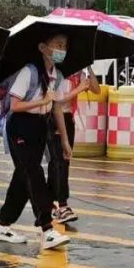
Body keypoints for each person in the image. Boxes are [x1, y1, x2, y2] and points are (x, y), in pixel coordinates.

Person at [0, 31, 72, 251]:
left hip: (40, 127)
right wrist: (41, 100)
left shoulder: (58, 76)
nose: (61, 50)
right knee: (34, 174)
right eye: (57, 44)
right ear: (43, 48)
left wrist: (64, 140)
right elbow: (14, 105)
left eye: (64, 46)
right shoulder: (30, 72)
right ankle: (47, 229)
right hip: (20, 125)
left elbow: (57, 108)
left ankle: (2, 225)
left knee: (22, 178)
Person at [47, 67, 100, 224]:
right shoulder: (57, 73)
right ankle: (63, 205)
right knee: (59, 161)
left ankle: (49, 202)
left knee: (61, 162)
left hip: (68, 118)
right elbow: (58, 99)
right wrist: (79, 89)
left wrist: (90, 68)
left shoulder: (79, 74)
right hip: (54, 117)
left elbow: (96, 89)